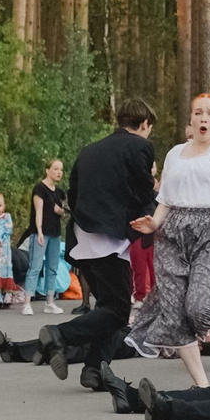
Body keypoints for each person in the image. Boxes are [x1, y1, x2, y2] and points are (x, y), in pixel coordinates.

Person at [118, 94, 210, 390]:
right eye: (198, 113)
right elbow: (166, 197)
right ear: (191, 119)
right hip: (171, 232)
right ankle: (202, 385)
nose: (204, 118)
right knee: (175, 312)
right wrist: (154, 222)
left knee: (199, 306)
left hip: (209, 230)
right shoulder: (175, 154)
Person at [40, 101, 160, 385]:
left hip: (83, 236)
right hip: (110, 239)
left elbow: (73, 190)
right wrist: (155, 218)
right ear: (144, 124)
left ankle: (94, 370)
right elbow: (143, 190)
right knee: (118, 312)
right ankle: (60, 334)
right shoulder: (140, 147)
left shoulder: (89, 150)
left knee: (108, 307)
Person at [22, 158, 69, 315]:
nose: (59, 172)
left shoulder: (59, 192)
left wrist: (60, 211)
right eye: (55, 169)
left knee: (53, 267)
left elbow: (63, 210)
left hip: (55, 232)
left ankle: (50, 300)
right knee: (35, 265)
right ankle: (27, 301)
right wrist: (39, 231)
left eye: (61, 169)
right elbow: (38, 211)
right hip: (41, 232)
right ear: (47, 170)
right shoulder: (40, 189)